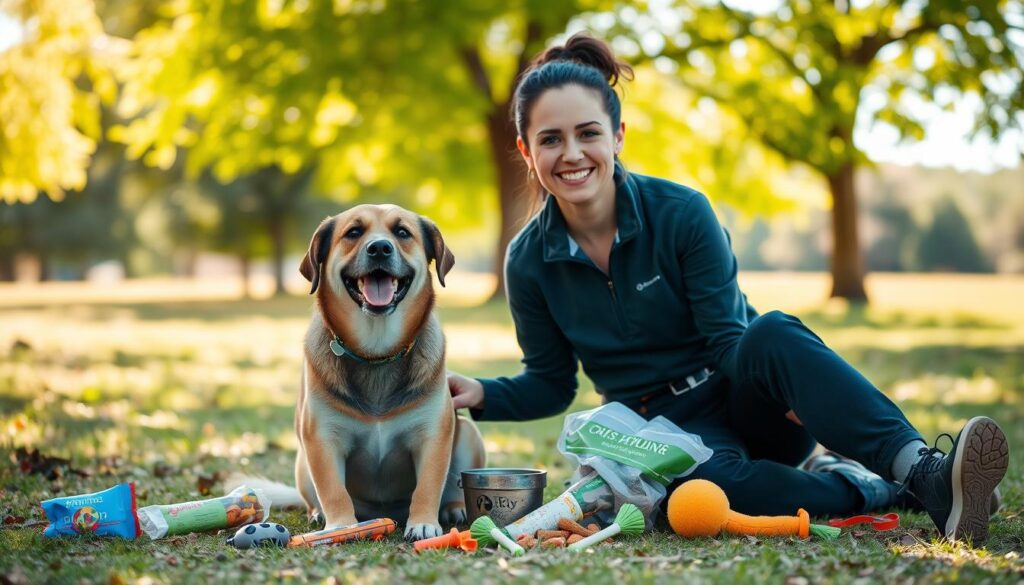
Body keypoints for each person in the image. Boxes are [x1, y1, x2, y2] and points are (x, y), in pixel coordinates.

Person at [446, 32, 1009, 543]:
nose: (571, 154)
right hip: (659, 439)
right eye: (550, 139)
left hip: (742, 396)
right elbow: (550, 382)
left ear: (617, 136)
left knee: (772, 332)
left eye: (588, 133)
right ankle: (887, 491)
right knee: (701, 497)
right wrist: (483, 394)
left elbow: (731, 343)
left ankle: (925, 469)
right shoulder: (527, 262)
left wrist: (792, 393)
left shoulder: (682, 213)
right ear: (525, 151)